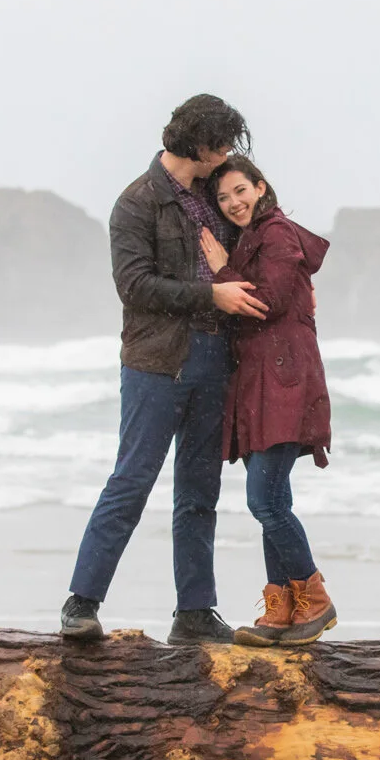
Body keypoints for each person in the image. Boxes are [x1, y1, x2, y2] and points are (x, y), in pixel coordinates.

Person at [59, 95, 268, 646]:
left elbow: (262, 225)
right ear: (198, 145)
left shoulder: (215, 190)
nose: (227, 155)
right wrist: (211, 295)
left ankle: (195, 611)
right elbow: (134, 287)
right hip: (157, 362)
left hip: (215, 361)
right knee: (131, 480)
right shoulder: (136, 202)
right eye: (221, 144)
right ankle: (81, 602)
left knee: (200, 492)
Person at [198, 155, 338, 646]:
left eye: (240, 190)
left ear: (260, 187)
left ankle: (315, 601)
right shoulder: (253, 237)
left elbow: (267, 301)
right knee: (274, 499)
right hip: (265, 384)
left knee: (264, 501)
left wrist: (220, 270)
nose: (233, 203)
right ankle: (281, 610)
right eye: (222, 197)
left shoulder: (275, 233)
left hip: (286, 382)